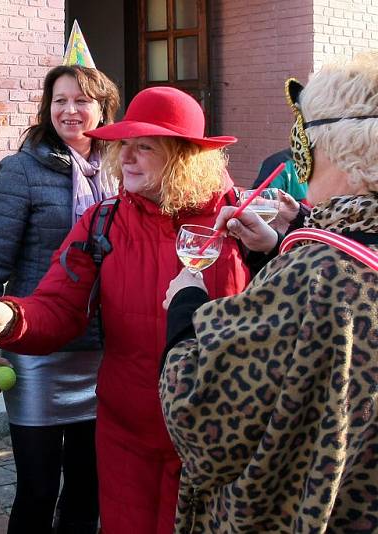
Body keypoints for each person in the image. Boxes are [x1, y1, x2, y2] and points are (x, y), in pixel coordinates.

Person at [0, 86, 252, 533]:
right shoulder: (102, 220)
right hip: (126, 432)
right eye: (124, 146)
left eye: (145, 146)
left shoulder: (240, 224)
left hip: (212, 434)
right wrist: (12, 317)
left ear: (182, 156)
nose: (126, 158)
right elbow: (58, 305)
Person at [160, 52, 378, 532]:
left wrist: (185, 305)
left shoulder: (320, 272)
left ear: (324, 145)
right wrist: (279, 243)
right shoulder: (331, 257)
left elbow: (200, 415)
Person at [0, 63, 120, 533]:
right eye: (60, 100)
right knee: (38, 487)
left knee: (88, 487)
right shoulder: (22, 169)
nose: (70, 110)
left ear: (104, 108)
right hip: (37, 350)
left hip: (103, 351)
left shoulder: (120, 171)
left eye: (81, 100)